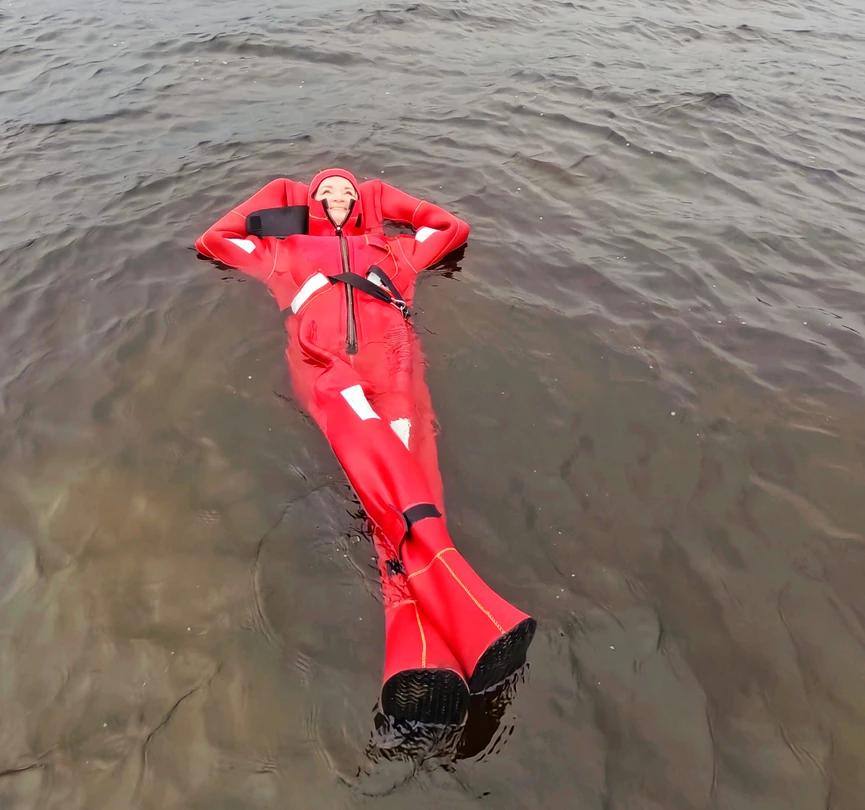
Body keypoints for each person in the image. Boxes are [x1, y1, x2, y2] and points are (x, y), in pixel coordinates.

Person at [195, 168, 536, 725]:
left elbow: (451, 227)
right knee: (375, 459)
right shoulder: (282, 252)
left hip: (395, 365)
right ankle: (465, 602)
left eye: (349, 191)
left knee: (410, 470)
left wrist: (381, 200)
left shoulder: (396, 252)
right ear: (309, 203)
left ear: (362, 205)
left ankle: (418, 647)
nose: (338, 196)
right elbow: (215, 240)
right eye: (325, 191)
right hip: (324, 365)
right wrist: (284, 197)